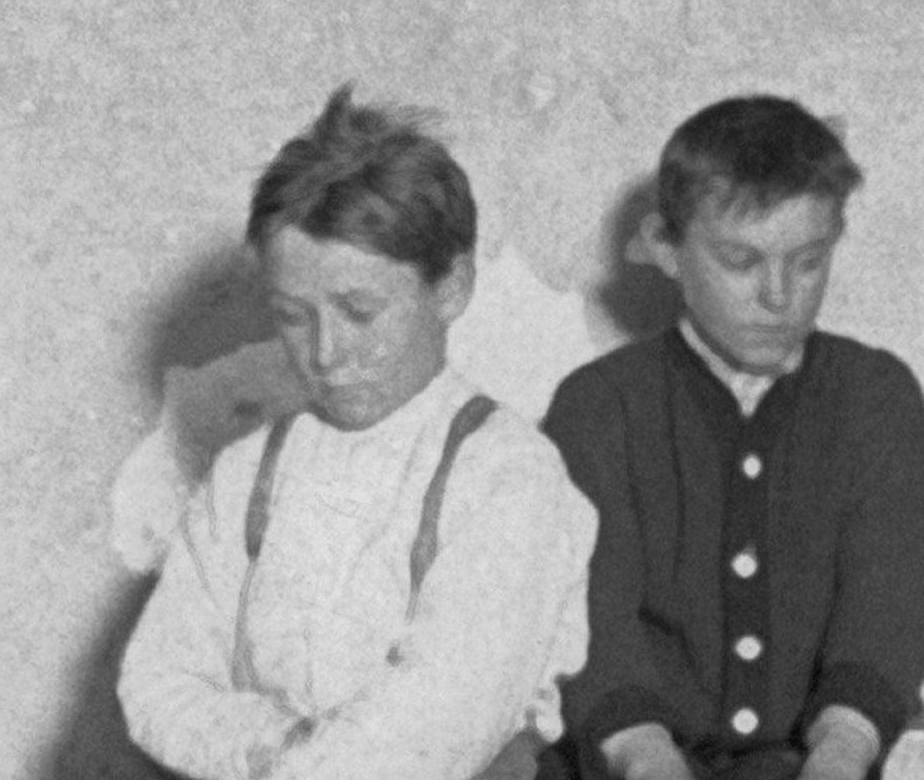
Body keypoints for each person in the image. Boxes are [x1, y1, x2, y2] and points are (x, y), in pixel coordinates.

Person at [118, 84, 597, 780]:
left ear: (451, 287)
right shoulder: (249, 470)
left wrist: (273, 750)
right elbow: (156, 684)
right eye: (292, 315)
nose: (325, 352)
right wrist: (274, 746)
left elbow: (432, 732)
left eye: (360, 311)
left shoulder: (509, 474)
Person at [539, 95, 924, 780]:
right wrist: (645, 757)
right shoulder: (599, 407)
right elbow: (596, 623)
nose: (779, 296)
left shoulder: (876, 396)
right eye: (741, 262)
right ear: (666, 248)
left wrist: (842, 751)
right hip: (634, 761)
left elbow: (885, 610)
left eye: (808, 262)